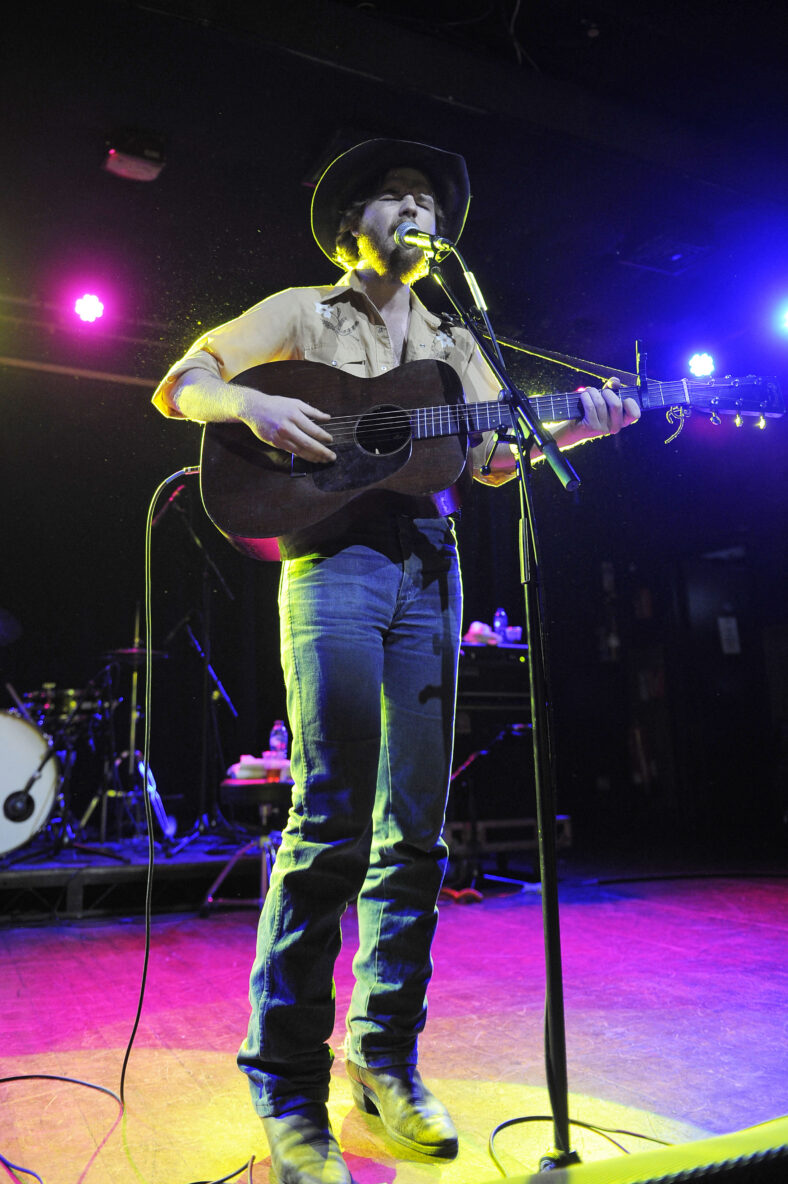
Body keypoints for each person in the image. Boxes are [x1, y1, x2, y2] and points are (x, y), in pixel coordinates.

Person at [152, 139, 640, 1184]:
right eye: (398, 196)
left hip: (431, 564)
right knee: (327, 812)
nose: (419, 209)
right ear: (353, 224)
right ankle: (287, 1080)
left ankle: (384, 1055)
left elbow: (495, 456)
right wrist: (246, 403)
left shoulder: (458, 336)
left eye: (430, 200)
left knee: (413, 829)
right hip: (331, 563)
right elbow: (180, 381)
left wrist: (585, 427)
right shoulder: (299, 311)